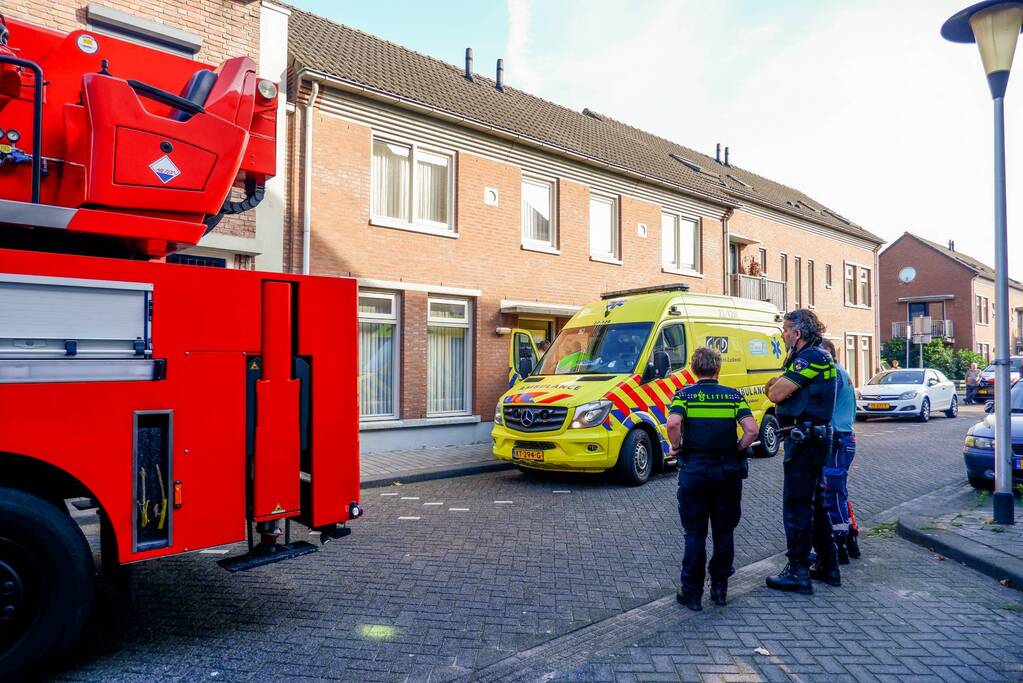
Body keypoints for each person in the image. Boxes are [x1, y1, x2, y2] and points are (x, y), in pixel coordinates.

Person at [668, 346, 758, 611]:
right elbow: (751, 429)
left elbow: (673, 424)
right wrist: (738, 447)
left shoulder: (684, 395)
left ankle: (692, 593)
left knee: (694, 533)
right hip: (727, 472)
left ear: (695, 369)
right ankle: (720, 589)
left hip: (695, 471)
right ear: (718, 369)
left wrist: (677, 446)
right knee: (724, 531)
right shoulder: (733, 396)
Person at [764, 309, 839, 595]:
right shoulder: (816, 357)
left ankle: (797, 571)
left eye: (784, 330)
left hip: (806, 439)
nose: (782, 335)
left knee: (796, 505)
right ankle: (827, 565)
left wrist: (778, 386)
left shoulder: (811, 357)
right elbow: (782, 388)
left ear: (797, 333)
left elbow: (776, 393)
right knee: (816, 504)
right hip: (813, 436)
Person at [819, 339, 861, 563]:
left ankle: (840, 542)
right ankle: (850, 535)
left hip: (836, 439)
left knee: (832, 492)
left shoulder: (832, 374)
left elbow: (823, 404)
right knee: (839, 491)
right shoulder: (842, 371)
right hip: (844, 437)